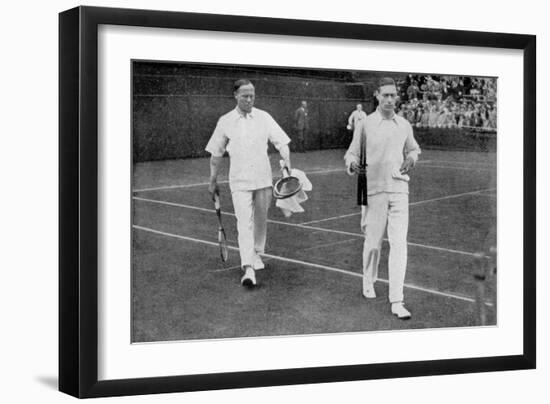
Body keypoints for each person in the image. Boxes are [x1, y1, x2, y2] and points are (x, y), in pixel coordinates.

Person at [344, 77, 421, 320]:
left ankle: (397, 300)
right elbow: (352, 152)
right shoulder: (365, 124)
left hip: (399, 189)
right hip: (374, 190)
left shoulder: (404, 125)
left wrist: (412, 158)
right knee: (374, 243)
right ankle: (369, 280)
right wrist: (353, 163)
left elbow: (414, 149)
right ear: (377, 95)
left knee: (399, 243)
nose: (389, 100)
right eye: (385, 95)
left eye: (393, 95)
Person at [205, 79, 292, 287]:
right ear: (235, 95)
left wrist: (287, 163)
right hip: (239, 181)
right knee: (244, 223)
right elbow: (215, 154)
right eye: (245, 95)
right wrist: (212, 180)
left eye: (252, 95)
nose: (249, 99)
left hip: (263, 179)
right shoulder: (225, 121)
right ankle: (248, 268)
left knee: (260, 221)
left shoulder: (264, 117)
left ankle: (256, 253)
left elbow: (283, 142)